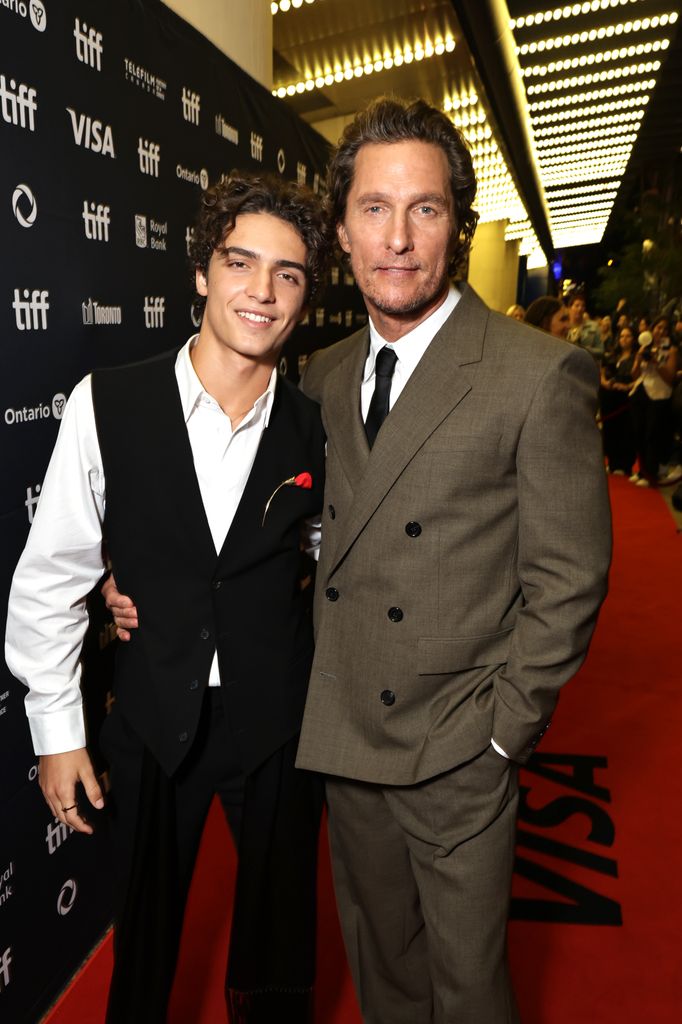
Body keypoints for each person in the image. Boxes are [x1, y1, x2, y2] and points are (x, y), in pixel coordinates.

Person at [108, 97, 612, 1023]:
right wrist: (138, 582)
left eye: (425, 208)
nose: (399, 238)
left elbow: (569, 580)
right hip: (341, 739)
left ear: (456, 225)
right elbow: (261, 533)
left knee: (468, 994)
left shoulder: (534, 374)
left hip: (460, 748)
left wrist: (504, 733)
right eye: (374, 209)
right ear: (341, 230)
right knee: (384, 977)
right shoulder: (321, 376)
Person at [5, 172, 329, 1023]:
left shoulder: (319, 426)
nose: (261, 292)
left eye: (288, 274)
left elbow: (336, 560)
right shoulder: (106, 402)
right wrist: (57, 731)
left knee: (279, 961)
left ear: (305, 295)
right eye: (239, 263)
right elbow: (50, 576)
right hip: (152, 720)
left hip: (280, 728)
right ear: (201, 273)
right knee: (141, 962)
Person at [629, 316, 678, 487]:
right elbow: (634, 374)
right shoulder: (645, 347)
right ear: (652, 328)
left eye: (665, 329)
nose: (661, 331)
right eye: (658, 327)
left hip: (659, 395)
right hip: (641, 391)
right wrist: (638, 358)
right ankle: (642, 470)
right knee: (638, 432)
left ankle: (651, 473)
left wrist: (656, 362)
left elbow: (670, 377)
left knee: (652, 435)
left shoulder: (670, 350)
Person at [600, 324, 637, 475]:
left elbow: (640, 377)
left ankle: (624, 464)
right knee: (609, 429)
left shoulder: (636, 356)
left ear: (633, 339)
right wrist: (604, 382)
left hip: (625, 398)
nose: (624, 339)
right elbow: (601, 371)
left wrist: (627, 386)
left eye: (628, 336)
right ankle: (613, 462)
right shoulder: (612, 354)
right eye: (622, 336)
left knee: (624, 431)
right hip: (608, 395)